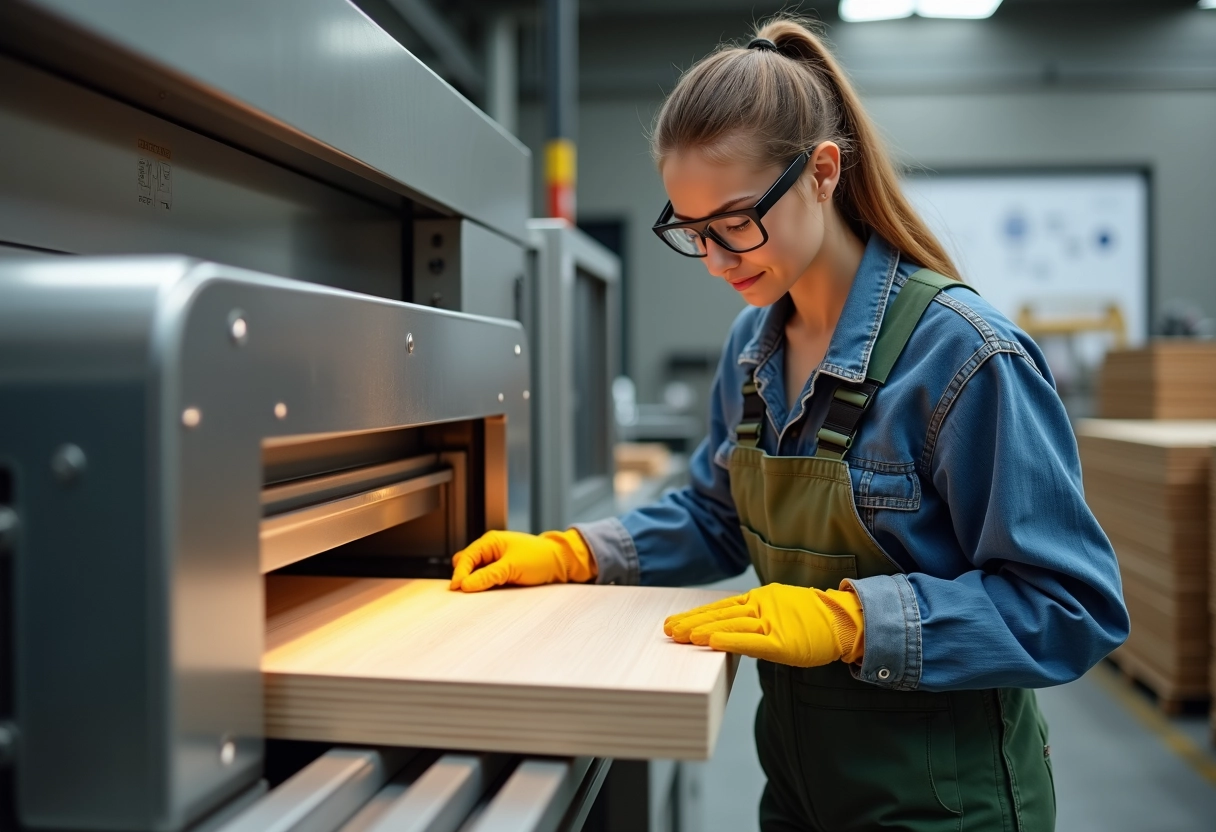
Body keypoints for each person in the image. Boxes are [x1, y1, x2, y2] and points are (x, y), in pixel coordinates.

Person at [449, 15, 1128, 832]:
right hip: (801, 790)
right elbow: (714, 515)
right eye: (692, 232)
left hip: (944, 803)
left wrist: (853, 621)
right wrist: (577, 552)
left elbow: (1070, 603)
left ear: (822, 173)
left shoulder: (964, 359)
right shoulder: (751, 348)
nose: (717, 260)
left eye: (735, 223)